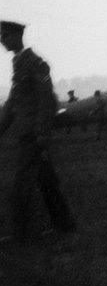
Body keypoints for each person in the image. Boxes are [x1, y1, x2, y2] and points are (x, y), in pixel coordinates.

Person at [0, 20, 76, 243]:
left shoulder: (34, 63)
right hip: (29, 133)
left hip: (33, 135)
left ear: (16, 36)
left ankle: (20, 235)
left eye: (4, 36)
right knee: (46, 181)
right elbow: (12, 105)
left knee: (20, 185)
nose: (1, 41)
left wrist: (42, 133)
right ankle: (65, 225)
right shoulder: (19, 64)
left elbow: (46, 101)